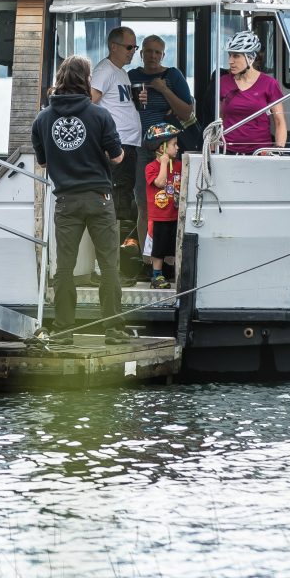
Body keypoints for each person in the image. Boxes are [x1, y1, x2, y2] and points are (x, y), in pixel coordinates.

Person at [32, 55, 126, 342]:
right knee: (109, 265)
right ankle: (112, 329)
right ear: (86, 80)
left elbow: (44, 162)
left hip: (66, 201)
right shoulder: (100, 115)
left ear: (59, 79)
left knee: (64, 268)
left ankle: (63, 329)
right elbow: (118, 156)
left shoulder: (43, 118)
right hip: (99, 197)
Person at [90, 27, 144, 239]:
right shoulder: (105, 70)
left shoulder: (121, 72)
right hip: (117, 145)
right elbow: (89, 103)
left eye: (134, 47)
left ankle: (118, 257)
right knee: (117, 198)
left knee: (124, 197)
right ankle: (114, 259)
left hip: (129, 143)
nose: (132, 51)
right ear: (114, 46)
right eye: (129, 47)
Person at [219, 30, 287, 155]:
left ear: (250, 57)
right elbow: (219, 119)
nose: (230, 61)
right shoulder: (223, 82)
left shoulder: (269, 83)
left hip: (260, 153)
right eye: (229, 55)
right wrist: (213, 148)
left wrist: (279, 149)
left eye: (236, 56)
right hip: (227, 151)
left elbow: (279, 121)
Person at [129, 34, 195, 146]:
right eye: (149, 51)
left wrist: (164, 89)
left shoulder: (173, 75)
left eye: (157, 52)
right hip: (137, 141)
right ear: (141, 54)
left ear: (163, 56)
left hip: (166, 143)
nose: (153, 56)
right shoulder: (131, 76)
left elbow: (186, 114)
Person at [140, 122, 182, 289]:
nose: (177, 147)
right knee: (158, 249)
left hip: (175, 213)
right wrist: (164, 164)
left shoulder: (179, 165)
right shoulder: (151, 167)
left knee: (173, 247)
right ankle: (156, 276)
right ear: (161, 148)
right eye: (174, 144)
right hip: (159, 216)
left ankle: (171, 273)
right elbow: (160, 183)